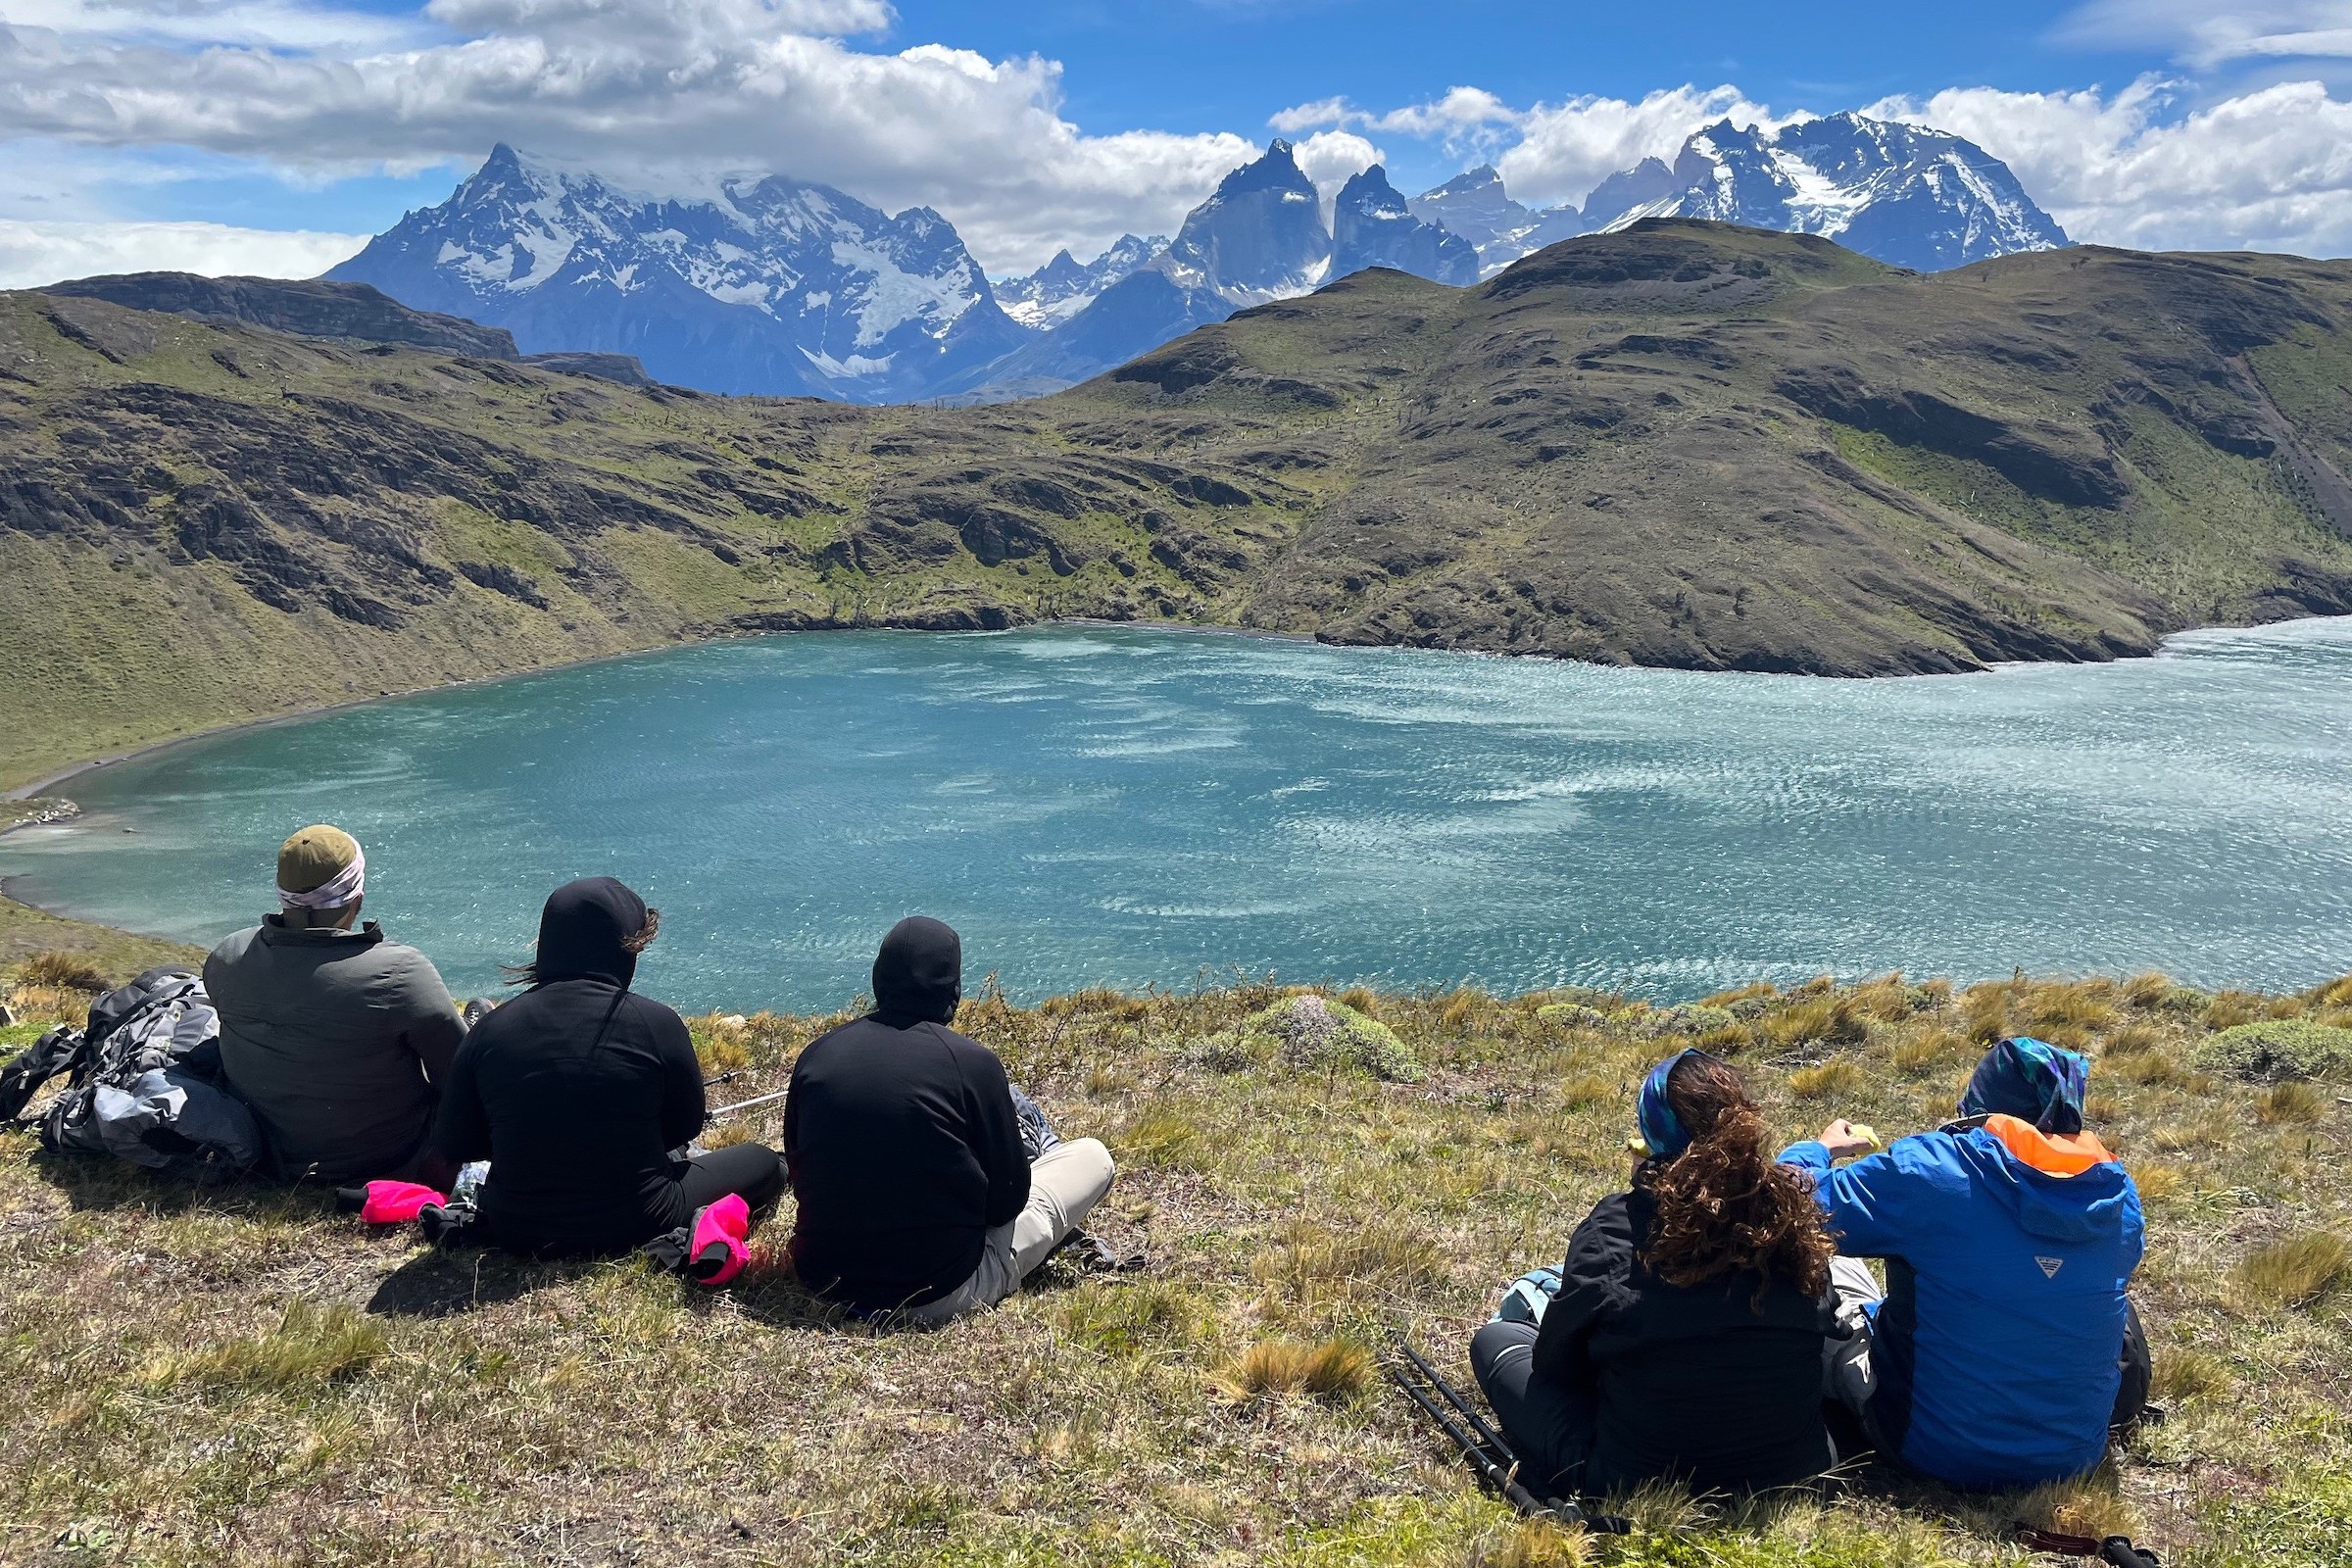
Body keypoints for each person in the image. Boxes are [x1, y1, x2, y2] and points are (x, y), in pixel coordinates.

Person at [1781, 1036, 2148, 1491]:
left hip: (1933, 1451)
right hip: (2074, 1458)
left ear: (1981, 1104)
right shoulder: (2119, 1197)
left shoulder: (1934, 1171)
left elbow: (1791, 1203)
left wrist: (1816, 1149)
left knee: (1833, 1269)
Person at [1470, 1050, 1840, 1499]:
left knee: (1496, 1341)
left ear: (1653, 1134)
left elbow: (1556, 1365)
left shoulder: (1614, 1229)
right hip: (1796, 1468)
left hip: (1637, 1480)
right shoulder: (1790, 1217)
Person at [427, 877, 783, 1256]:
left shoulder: (489, 1031)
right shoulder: (656, 1022)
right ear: (621, 951)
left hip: (516, 1223)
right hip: (638, 1217)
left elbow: (456, 1142)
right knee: (764, 1162)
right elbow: (684, 1126)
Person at [784, 916, 1115, 1321]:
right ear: (953, 991)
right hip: (939, 1291)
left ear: (877, 979)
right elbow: (1006, 1204)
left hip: (823, 1278)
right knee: (1093, 1156)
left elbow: (800, 1172)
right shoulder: (973, 1064)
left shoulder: (816, 1057)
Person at [207, 825, 465, 1184]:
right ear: (356, 893)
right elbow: (458, 1078)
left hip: (268, 1155)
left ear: (283, 893)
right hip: (389, 1160)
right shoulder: (400, 973)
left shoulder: (228, 955)